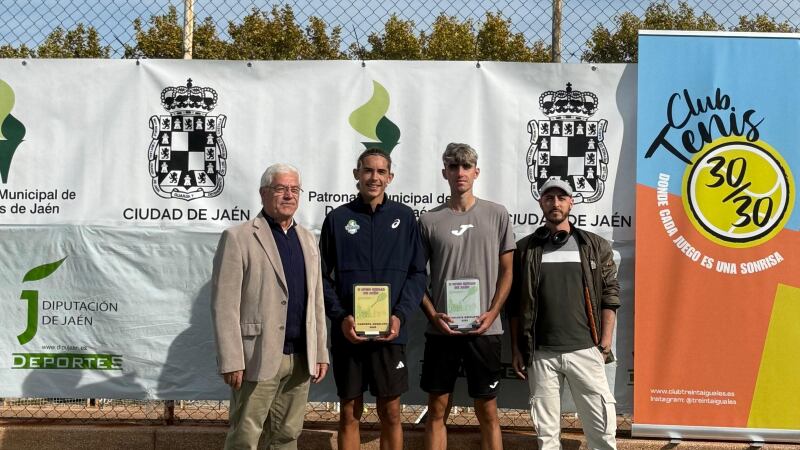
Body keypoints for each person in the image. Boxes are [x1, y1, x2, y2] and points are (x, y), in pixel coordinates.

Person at [211, 163, 329, 450]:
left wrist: (320, 352)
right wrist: (232, 359)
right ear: (264, 193)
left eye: (294, 189)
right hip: (257, 356)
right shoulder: (239, 237)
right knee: (245, 437)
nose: (289, 195)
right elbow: (224, 305)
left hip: (300, 358)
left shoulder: (307, 239)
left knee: (287, 436)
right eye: (280, 189)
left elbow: (316, 301)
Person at [320, 148, 427, 450]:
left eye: (381, 172)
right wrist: (341, 317)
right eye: (368, 170)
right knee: (349, 413)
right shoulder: (338, 219)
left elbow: (418, 273)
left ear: (390, 177)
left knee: (391, 412)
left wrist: (400, 316)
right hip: (349, 334)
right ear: (357, 174)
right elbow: (320, 277)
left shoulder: (404, 217)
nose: (374, 177)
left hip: (389, 334)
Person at [508, 177, 620, 450]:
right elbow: (515, 305)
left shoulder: (594, 246)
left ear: (571, 202)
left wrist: (604, 343)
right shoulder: (525, 249)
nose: (555, 203)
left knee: (603, 434)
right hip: (541, 354)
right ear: (541, 203)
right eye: (549, 198)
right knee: (546, 439)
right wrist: (517, 348)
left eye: (561, 198)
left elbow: (610, 295)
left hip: (586, 350)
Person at [418, 143, 514, 450]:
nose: (460, 172)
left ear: (476, 172)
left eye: (466, 166)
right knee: (436, 410)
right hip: (442, 330)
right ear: (444, 172)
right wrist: (433, 315)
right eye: (453, 166)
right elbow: (415, 276)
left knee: (488, 411)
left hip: (485, 329)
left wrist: (492, 313)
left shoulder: (497, 214)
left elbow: (508, 272)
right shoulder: (429, 220)